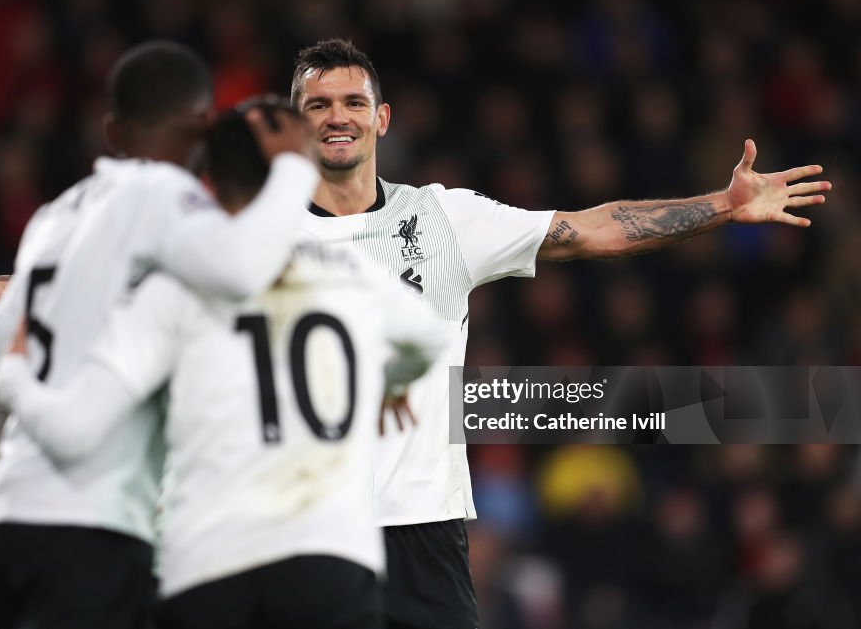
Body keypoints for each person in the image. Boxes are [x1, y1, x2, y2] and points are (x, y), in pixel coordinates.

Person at [289, 37, 830, 629]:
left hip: (422, 530)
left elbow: (592, 230)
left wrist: (723, 206)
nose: (337, 116)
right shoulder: (254, 239)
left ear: (381, 118)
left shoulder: (441, 219)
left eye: (352, 102)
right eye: (318, 105)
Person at [0, 101, 451, 629]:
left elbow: (73, 430)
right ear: (294, 176)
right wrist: (388, 383)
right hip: (331, 562)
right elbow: (429, 339)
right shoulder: (350, 275)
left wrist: (13, 376)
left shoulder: (175, 289)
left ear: (206, 185)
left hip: (208, 568)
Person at [0, 43, 316, 629]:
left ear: (110, 128)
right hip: (89, 529)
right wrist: (293, 169)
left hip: (7, 526)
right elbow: (240, 268)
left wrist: (35, 358)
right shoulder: (164, 196)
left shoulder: (56, 214)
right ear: (203, 125)